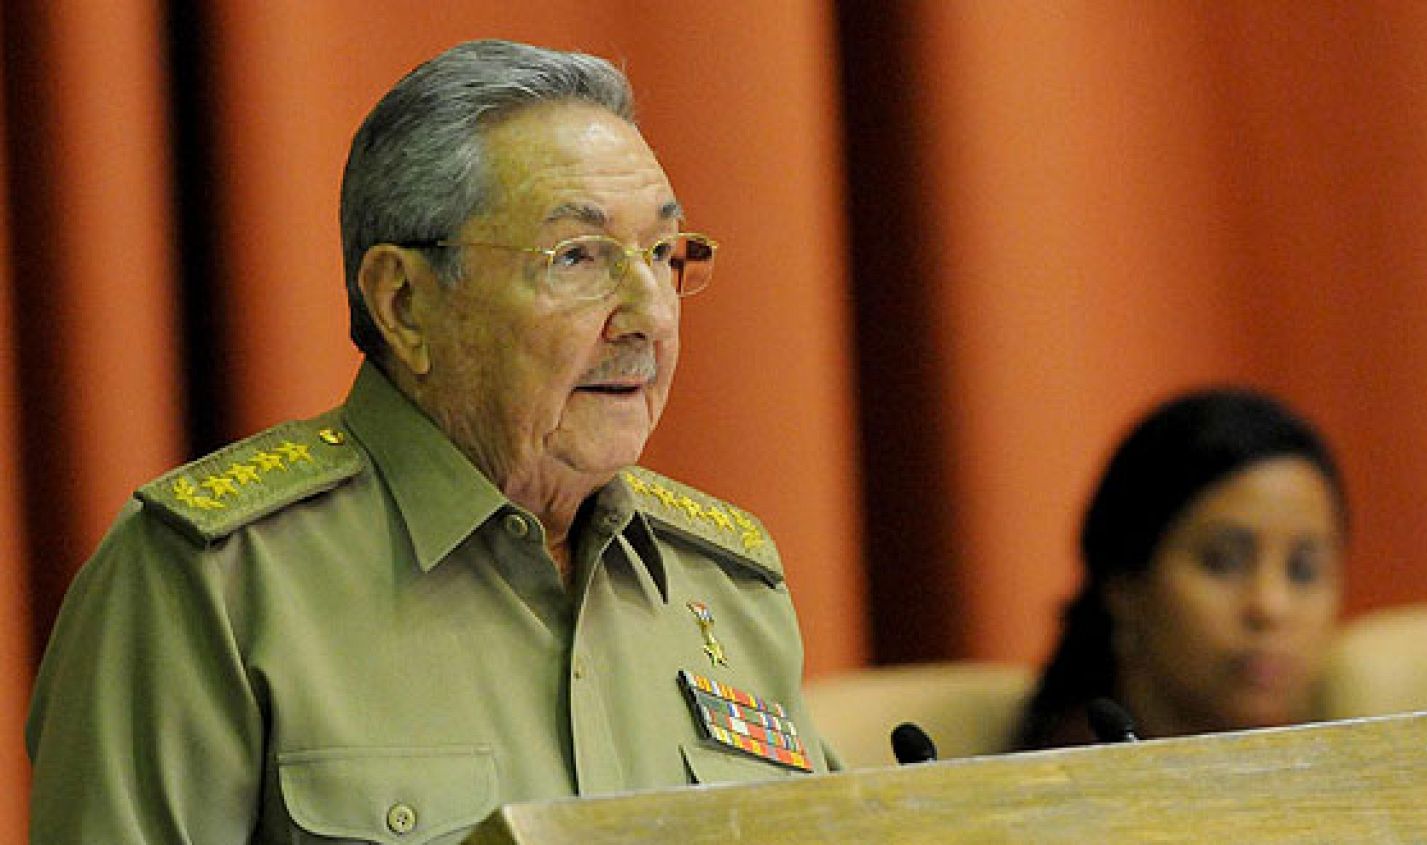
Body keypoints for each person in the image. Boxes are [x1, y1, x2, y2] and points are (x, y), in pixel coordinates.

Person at [27, 40, 836, 843]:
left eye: (662, 255)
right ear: (405, 303)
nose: (651, 316)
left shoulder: (728, 587)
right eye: (579, 257)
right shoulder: (214, 583)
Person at [1015, 387, 1347, 749]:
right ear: (1125, 586)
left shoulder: (1352, 779)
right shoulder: (1059, 782)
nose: (1270, 607)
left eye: (1303, 571)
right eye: (1223, 563)